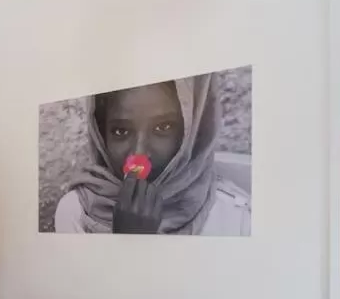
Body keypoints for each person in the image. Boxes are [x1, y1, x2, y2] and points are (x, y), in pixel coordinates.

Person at [54, 74, 250, 235]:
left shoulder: (236, 218)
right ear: (101, 135)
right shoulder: (77, 212)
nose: (139, 154)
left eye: (163, 127)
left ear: (191, 134)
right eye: (121, 131)